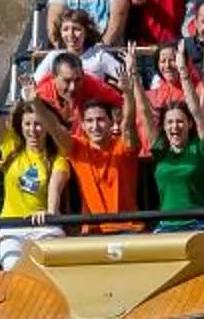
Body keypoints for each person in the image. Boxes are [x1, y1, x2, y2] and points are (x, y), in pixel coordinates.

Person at [0, 43, 65, 267]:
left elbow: (55, 194)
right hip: (11, 229)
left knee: (48, 265)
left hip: (44, 227)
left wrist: (48, 214)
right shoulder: (11, 146)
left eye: (38, 125)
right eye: (28, 125)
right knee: (16, 268)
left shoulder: (56, 159)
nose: (33, 130)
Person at [46, 92, 149, 235]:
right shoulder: (77, 148)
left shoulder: (123, 146)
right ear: (82, 125)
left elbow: (129, 125)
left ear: (111, 122)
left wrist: (129, 97)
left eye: (100, 119)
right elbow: (54, 128)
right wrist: (35, 103)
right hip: (93, 232)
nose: (95, 125)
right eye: (89, 121)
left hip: (129, 228)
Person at [146, 95, 204, 228]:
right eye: (170, 122)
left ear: (190, 124)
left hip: (197, 223)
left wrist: (185, 77)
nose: (175, 126)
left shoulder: (199, 147)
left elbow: (200, 113)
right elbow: (144, 112)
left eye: (180, 121)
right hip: (166, 225)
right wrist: (135, 80)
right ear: (164, 127)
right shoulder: (160, 149)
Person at [36, 47, 125, 134]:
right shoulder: (41, 94)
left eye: (77, 80)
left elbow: (119, 102)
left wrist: (114, 123)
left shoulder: (92, 84)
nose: (73, 87)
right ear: (54, 77)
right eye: (67, 81)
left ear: (83, 75)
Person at [48, 8, 130, 91]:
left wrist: (131, 69)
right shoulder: (53, 57)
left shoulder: (99, 56)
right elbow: (35, 83)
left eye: (77, 29)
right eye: (65, 29)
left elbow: (127, 79)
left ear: (86, 32)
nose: (71, 34)